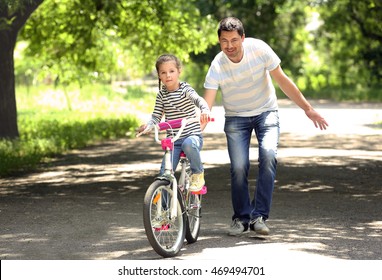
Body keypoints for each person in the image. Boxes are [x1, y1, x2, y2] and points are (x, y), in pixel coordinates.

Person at [203, 17, 328, 236]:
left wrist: (307, 109)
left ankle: (258, 216)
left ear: (243, 38)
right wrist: (197, 126)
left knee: (269, 155)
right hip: (236, 117)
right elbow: (207, 104)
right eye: (224, 41)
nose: (229, 46)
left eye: (234, 40)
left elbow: (282, 80)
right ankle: (241, 219)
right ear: (219, 41)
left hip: (266, 112)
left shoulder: (259, 49)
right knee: (239, 167)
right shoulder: (217, 64)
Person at [138, 54, 211, 192]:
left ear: (179, 71)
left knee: (188, 144)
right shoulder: (161, 95)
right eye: (163, 72)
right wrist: (148, 126)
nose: (168, 76)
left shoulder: (185, 89)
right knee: (165, 174)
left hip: (191, 135)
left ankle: (198, 173)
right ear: (159, 75)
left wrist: (205, 110)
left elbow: (198, 100)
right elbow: (156, 116)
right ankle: (163, 208)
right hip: (173, 139)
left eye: (171, 71)